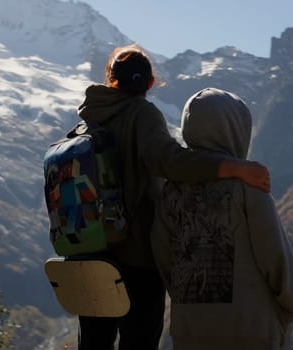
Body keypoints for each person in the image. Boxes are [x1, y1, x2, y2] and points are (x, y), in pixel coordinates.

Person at [75, 45, 271, 350]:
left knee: (93, 342)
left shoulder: (88, 118)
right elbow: (167, 160)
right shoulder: (141, 113)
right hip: (134, 255)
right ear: (151, 83)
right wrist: (234, 167)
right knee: (139, 340)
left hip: (89, 251)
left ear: (109, 78)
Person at [151, 88, 293, 350]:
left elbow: (163, 254)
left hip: (191, 329)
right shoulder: (247, 186)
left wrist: (185, 301)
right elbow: (274, 255)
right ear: (236, 130)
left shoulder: (170, 192)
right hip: (251, 327)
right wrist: (291, 305)